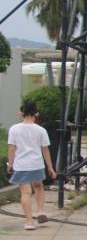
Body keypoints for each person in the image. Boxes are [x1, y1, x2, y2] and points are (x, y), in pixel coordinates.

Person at [6, 99, 57, 230]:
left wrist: (10, 164)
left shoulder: (14, 129)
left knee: (26, 192)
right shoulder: (41, 130)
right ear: (36, 113)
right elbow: (45, 150)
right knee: (39, 186)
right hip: (37, 164)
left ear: (21, 113)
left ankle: (29, 222)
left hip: (21, 165)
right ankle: (40, 211)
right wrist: (50, 167)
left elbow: (12, 148)